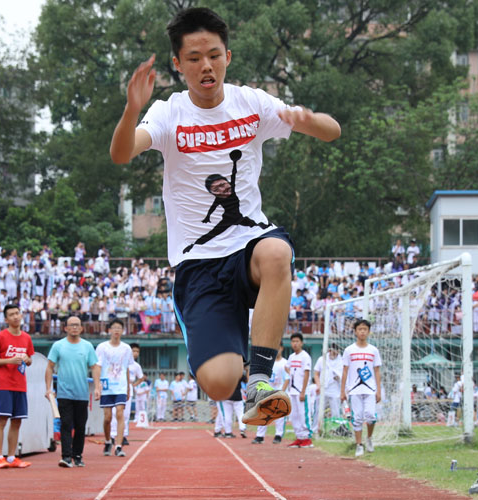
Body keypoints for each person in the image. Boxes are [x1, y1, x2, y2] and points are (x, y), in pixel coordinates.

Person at [109, 7, 340, 427]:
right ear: (178, 64)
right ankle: (230, 366)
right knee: (218, 383)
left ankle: (260, 381)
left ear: (228, 57)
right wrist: (131, 109)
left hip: (248, 245)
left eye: (214, 55)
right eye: (194, 58)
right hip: (199, 264)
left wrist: (309, 120)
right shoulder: (168, 112)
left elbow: (332, 131)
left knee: (276, 253)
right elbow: (121, 153)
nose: (206, 66)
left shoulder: (251, 102)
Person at [46, 315, 101, 468]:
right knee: (66, 424)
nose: (75, 327)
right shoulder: (58, 346)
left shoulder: (87, 346)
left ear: (81, 328)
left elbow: (95, 367)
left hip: (82, 393)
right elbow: (49, 367)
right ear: (66, 328)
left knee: (80, 426)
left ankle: (77, 455)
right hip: (64, 393)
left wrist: (97, 387)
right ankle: (66, 456)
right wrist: (48, 388)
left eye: (77, 325)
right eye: (72, 325)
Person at [0, 304, 34, 469]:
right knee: (1, 420)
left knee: (17, 421)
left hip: (20, 385)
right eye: (11, 314)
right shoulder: (0, 336)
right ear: (6, 319)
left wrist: (27, 360)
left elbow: (30, 359)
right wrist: (9, 360)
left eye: (17, 313)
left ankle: (12, 457)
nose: (15, 316)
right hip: (4, 384)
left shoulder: (26, 338)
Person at [340, 319, 382, 457]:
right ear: (355, 332)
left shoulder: (373, 350)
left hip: (370, 389)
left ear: (368, 332)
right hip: (354, 390)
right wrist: (342, 391)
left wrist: (379, 390)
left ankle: (369, 438)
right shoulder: (349, 350)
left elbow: (377, 371)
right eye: (360, 329)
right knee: (357, 418)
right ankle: (359, 445)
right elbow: (345, 371)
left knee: (371, 416)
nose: (362, 332)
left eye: (365, 329)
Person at [96, 319, 133, 457]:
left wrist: (128, 387)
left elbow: (126, 368)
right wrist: (97, 385)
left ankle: (118, 446)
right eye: (114, 327)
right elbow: (97, 366)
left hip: (121, 386)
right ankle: (107, 441)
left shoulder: (126, 348)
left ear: (122, 331)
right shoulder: (102, 347)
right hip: (106, 385)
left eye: (119, 328)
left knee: (119, 413)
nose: (116, 330)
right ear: (109, 330)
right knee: (107, 417)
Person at [112, 342, 146, 446]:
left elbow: (141, 377)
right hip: (117, 387)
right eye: (133, 351)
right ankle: (113, 435)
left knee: (126, 414)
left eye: (137, 351)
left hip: (128, 388)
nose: (135, 353)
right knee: (114, 412)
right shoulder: (120, 361)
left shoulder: (136, 366)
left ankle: (124, 435)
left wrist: (134, 384)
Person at [253, 344, 288, 444]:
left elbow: (287, 379)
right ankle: (260, 436)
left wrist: (282, 391)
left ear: (282, 348)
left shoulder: (285, 363)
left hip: (279, 391)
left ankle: (278, 435)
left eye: (278, 347)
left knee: (279, 414)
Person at [286, 333, 313, 448]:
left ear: (301, 343)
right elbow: (286, 367)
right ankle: (299, 437)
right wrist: (291, 373)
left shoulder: (305, 356)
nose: (295, 344)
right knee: (294, 415)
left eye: (297, 341)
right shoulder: (291, 357)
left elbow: (307, 374)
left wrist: (303, 391)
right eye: (293, 341)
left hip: (301, 391)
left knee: (303, 414)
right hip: (292, 391)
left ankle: (307, 438)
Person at [313, 344, 343, 419]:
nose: (335, 355)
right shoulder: (321, 359)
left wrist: (339, 378)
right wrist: (318, 385)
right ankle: (316, 426)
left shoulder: (341, 361)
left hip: (335, 389)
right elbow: (316, 374)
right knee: (318, 410)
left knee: (336, 412)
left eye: (336, 353)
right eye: (333, 353)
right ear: (329, 351)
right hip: (323, 388)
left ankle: (335, 426)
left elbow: (344, 376)